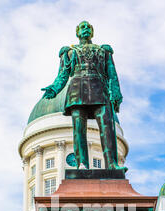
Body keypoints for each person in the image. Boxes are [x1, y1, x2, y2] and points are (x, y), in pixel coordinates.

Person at [42, 21, 124, 171]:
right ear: (77, 32)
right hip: (77, 91)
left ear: (92, 32)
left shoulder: (103, 51)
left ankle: (112, 164)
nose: (85, 29)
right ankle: (83, 164)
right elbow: (63, 75)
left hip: (100, 89)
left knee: (107, 128)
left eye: (88, 27)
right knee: (79, 130)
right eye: (82, 27)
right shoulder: (69, 53)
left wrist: (116, 92)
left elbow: (112, 74)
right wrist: (54, 88)